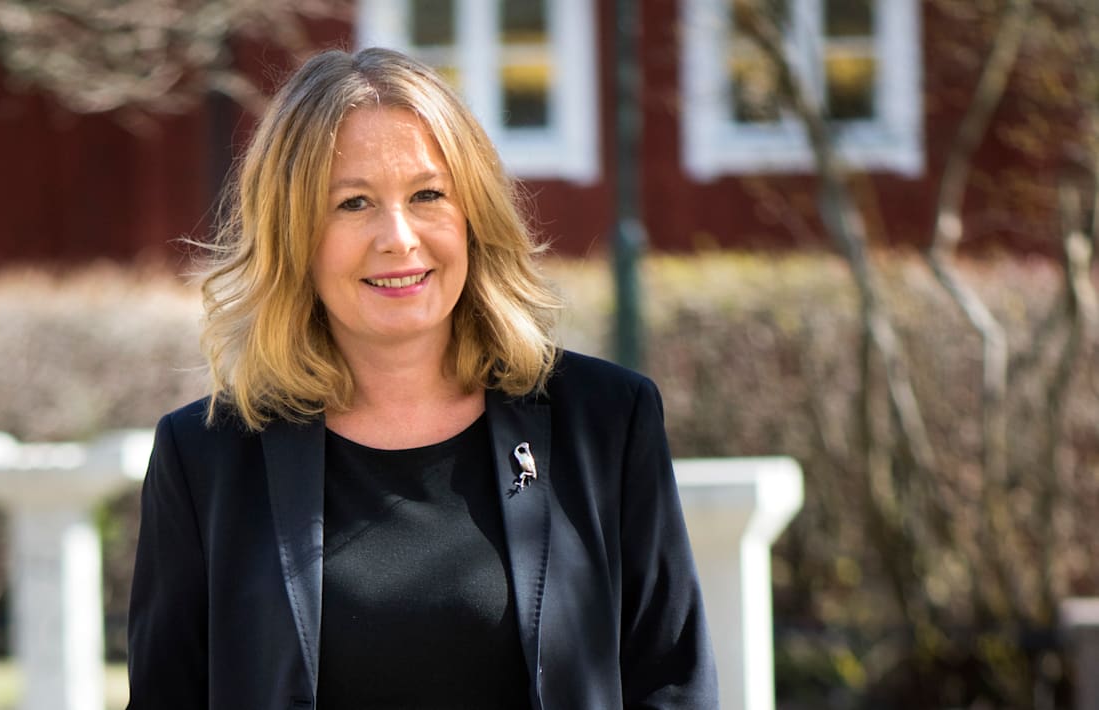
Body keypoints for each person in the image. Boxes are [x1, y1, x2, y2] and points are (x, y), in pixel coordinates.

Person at [126, 47, 717, 709]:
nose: (399, 237)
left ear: (473, 215)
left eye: (427, 195)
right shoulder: (204, 457)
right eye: (353, 203)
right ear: (293, 234)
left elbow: (674, 685)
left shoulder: (606, 421)